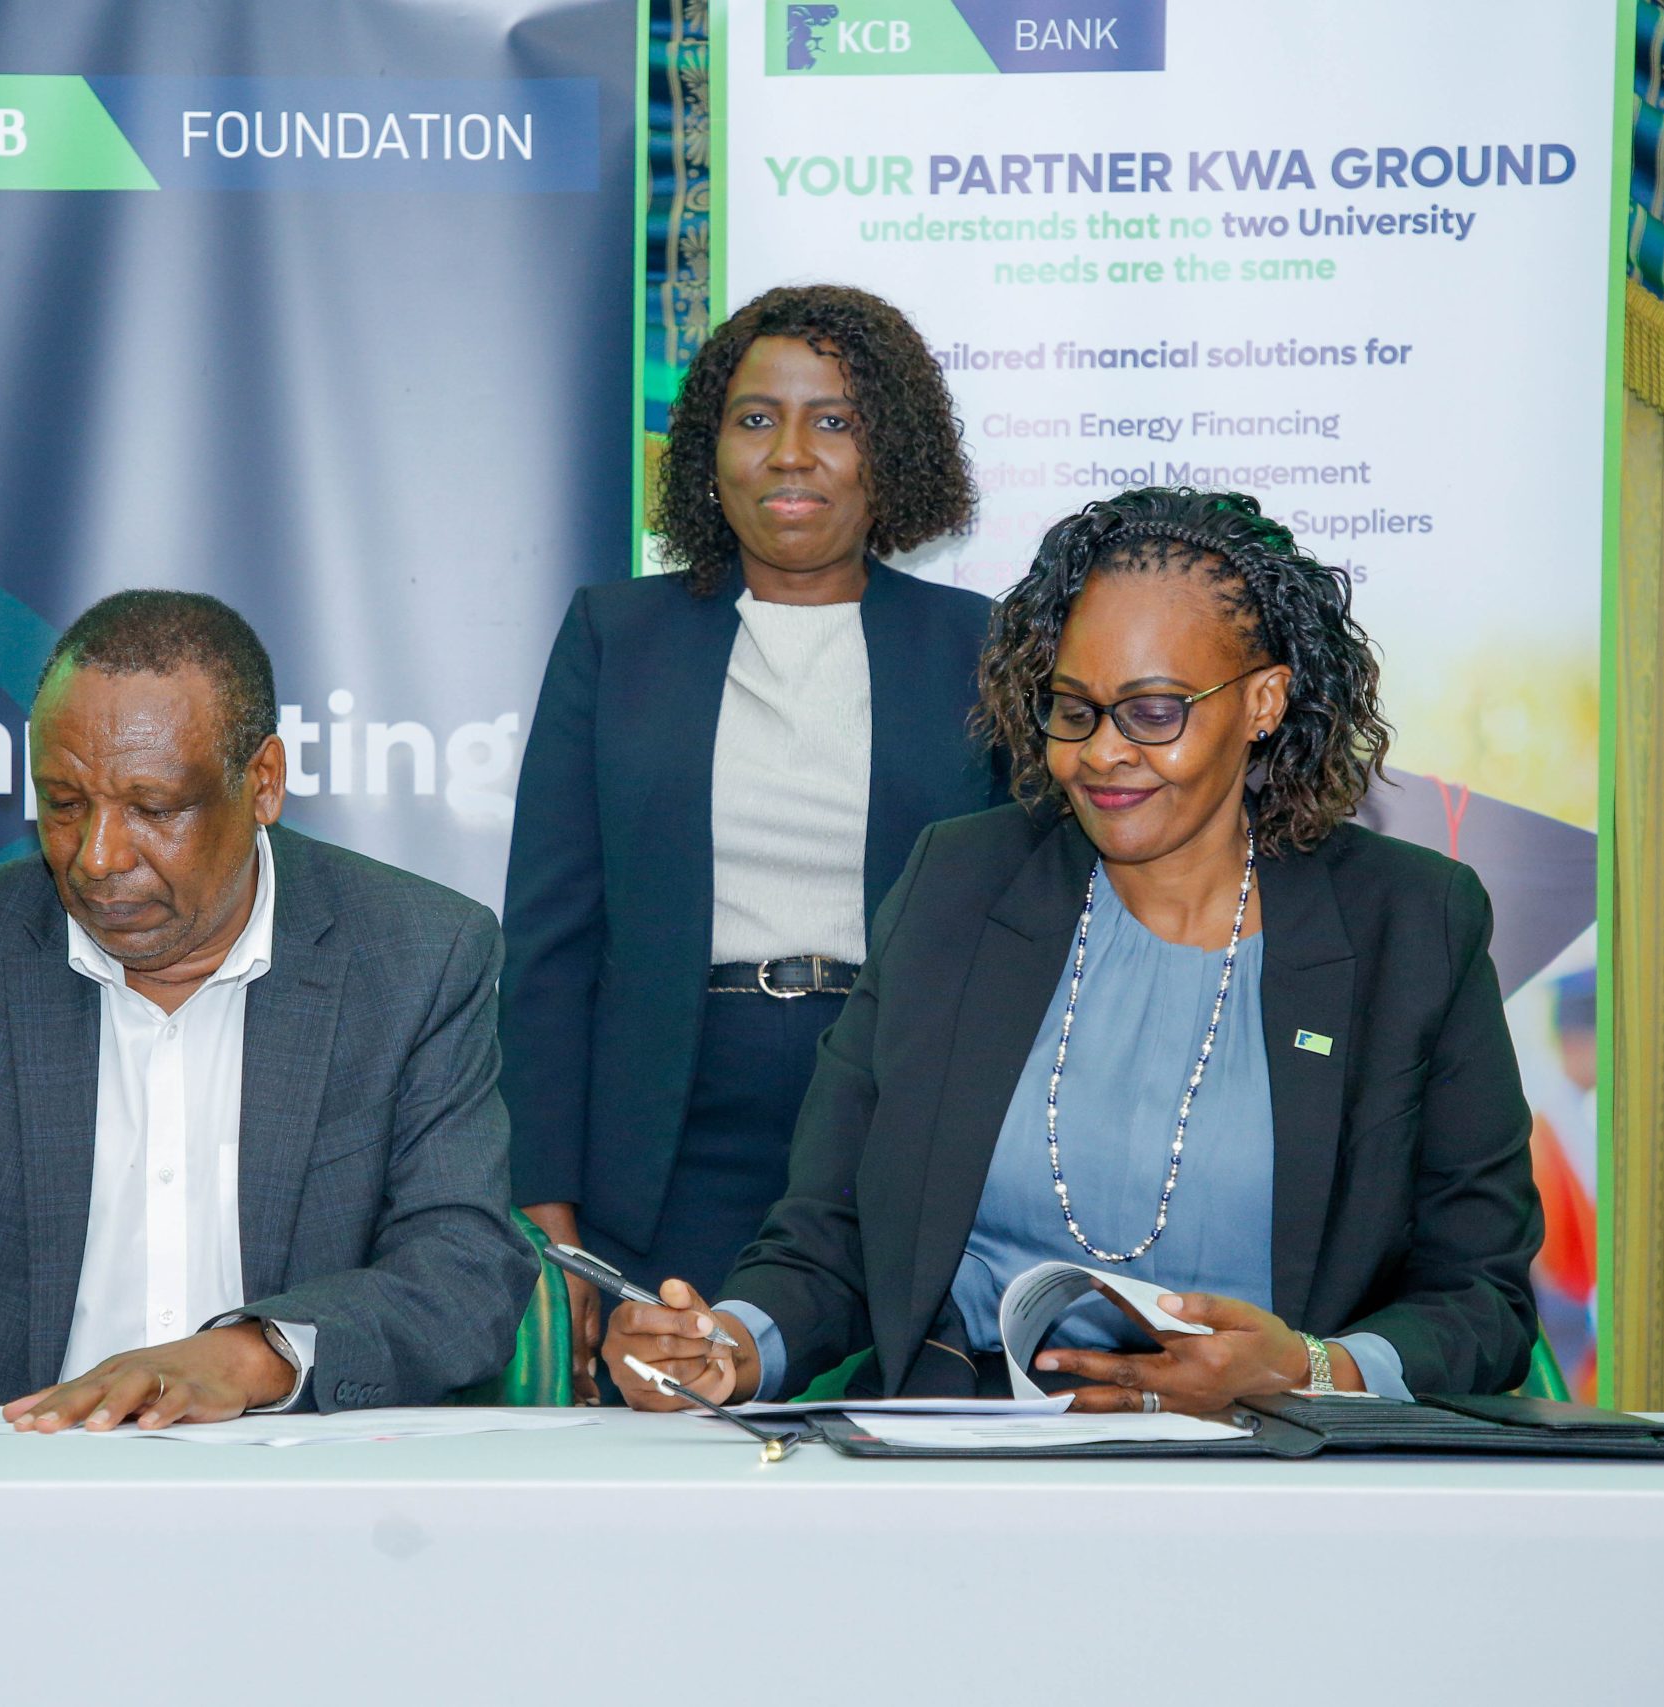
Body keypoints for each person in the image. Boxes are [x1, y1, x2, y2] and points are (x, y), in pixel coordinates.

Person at [605, 487, 1544, 1413]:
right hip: (973, 1443)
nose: (1102, 753)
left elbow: (1482, 1297)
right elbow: (837, 1227)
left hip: (1273, 1456)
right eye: (1074, 708)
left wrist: (1309, 1368)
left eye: (1154, 712)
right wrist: (731, 1344)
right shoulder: (958, 886)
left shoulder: (1410, 923)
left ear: (1263, 701)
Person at [0, 591, 536, 1429]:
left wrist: (252, 1355)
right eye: (64, 804)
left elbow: (461, 1273)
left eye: (153, 807)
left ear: (262, 781)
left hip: (295, 1492)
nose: (98, 857)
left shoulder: (416, 955)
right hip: (3, 1489)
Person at [502, 283, 1003, 1400]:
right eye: (755, 418)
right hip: (666, 1138)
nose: (790, 453)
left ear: (891, 451)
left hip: (900, 1121)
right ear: (710, 449)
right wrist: (550, 1218)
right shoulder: (615, 636)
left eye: (835, 421)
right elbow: (550, 943)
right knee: (667, 1434)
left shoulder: (979, 648)